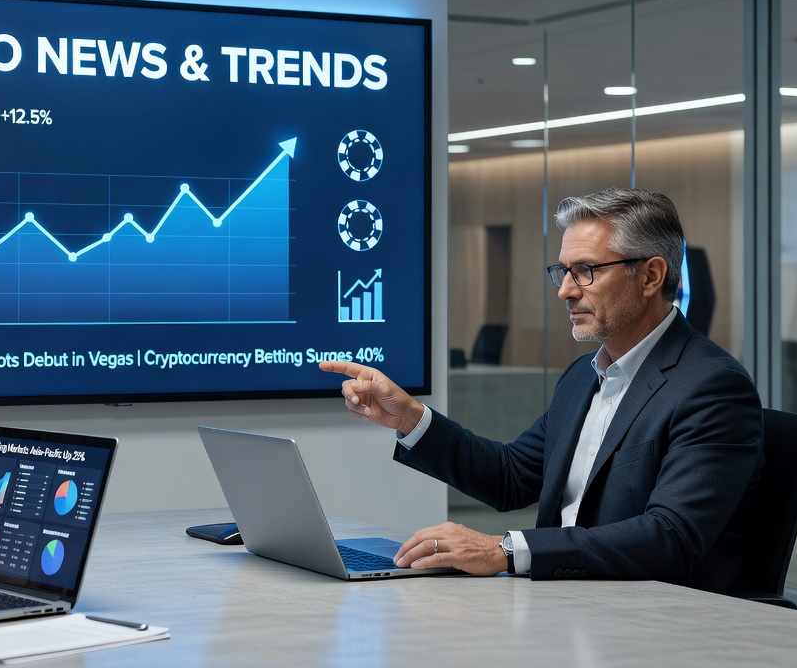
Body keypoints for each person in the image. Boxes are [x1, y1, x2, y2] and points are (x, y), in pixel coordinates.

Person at [322, 187, 762, 594]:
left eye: (586, 271)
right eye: (563, 272)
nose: (566, 291)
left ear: (650, 277)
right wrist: (410, 418)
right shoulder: (583, 376)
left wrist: (506, 550)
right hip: (565, 599)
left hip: (656, 619)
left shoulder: (711, 387)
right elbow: (512, 477)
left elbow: (672, 536)